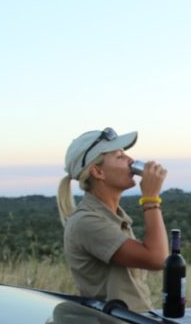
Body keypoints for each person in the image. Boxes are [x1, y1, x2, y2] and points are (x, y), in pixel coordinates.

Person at [57, 127, 168, 311]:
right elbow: (157, 258)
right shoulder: (87, 222)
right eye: (119, 156)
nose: (130, 160)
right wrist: (150, 199)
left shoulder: (112, 216)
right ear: (98, 172)